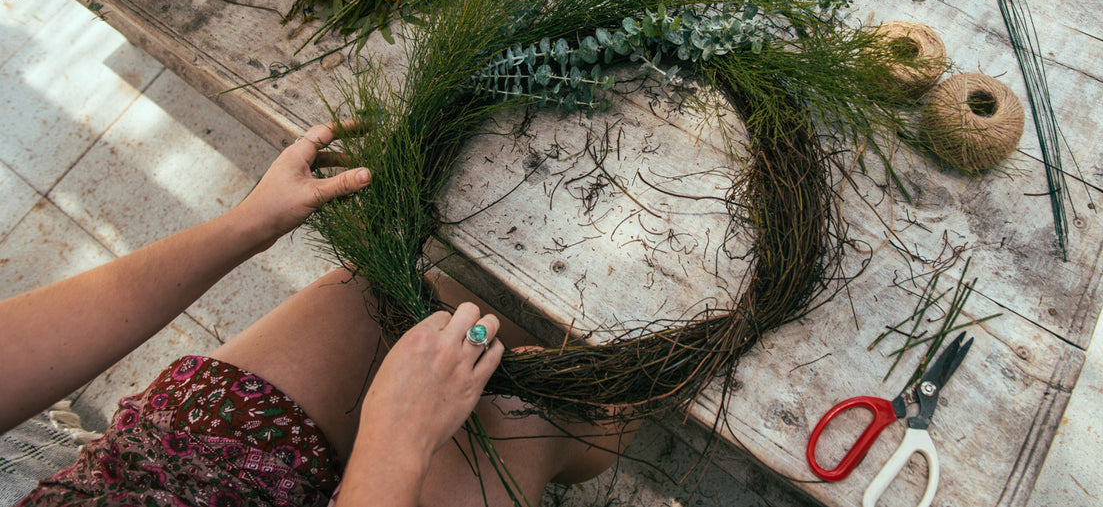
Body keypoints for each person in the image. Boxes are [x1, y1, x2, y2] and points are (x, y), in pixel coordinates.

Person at [0, 122, 634, 506]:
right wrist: (395, 444)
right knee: (522, 410)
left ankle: (552, 399)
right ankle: (607, 412)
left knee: (376, 300)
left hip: (161, 475)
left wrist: (249, 222)